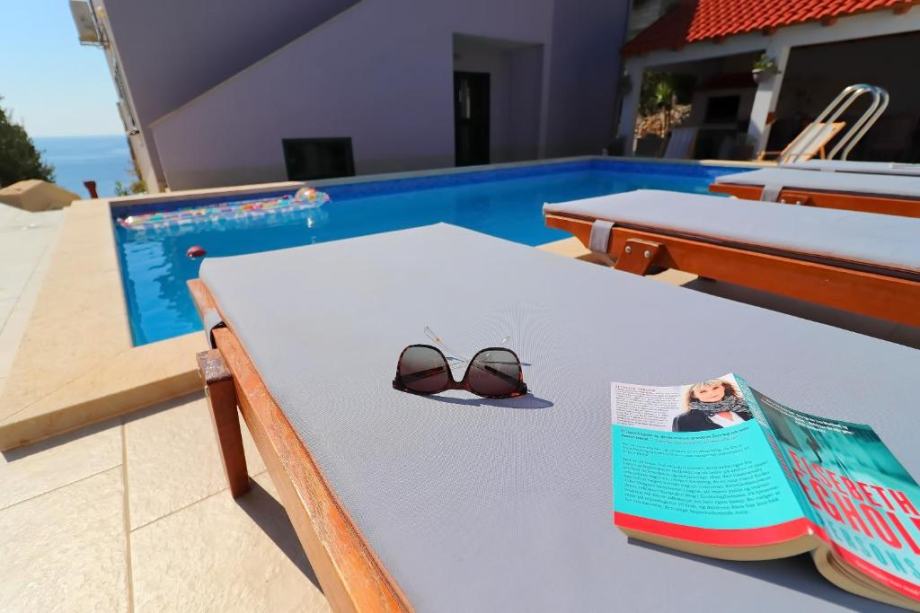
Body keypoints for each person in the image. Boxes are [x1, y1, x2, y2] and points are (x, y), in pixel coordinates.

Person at [672, 379, 753, 432]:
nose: (711, 393)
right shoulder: (684, 420)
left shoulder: (745, 406)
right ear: (694, 395)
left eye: (715, 388)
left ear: (723, 387)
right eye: (703, 391)